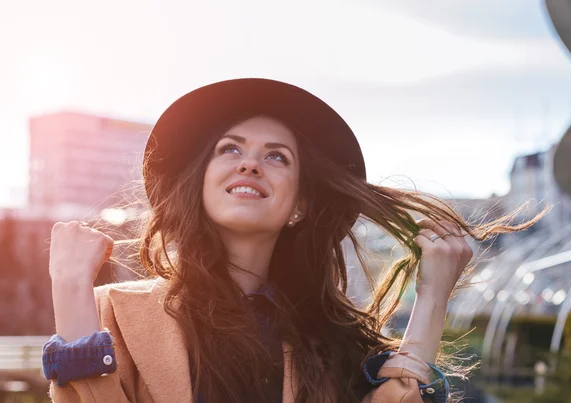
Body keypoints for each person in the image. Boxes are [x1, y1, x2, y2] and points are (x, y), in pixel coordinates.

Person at [42, 79, 543, 403]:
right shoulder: (115, 314)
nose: (249, 162)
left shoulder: (328, 339)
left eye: (277, 156)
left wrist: (433, 298)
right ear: (200, 183)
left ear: (299, 204)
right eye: (230, 148)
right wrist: (69, 288)